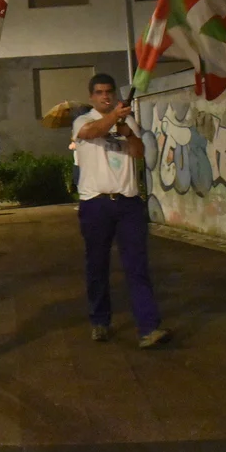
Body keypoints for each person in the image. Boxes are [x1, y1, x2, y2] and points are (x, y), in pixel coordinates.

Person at [72, 73, 171, 349]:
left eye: (109, 92)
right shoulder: (83, 120)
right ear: (92, 96)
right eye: (99, 92)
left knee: (137, 265)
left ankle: (149, 327)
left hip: (128, 202)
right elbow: (91, 133)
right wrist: (114, 117)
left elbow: (138, 153)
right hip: (96, 202)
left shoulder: (128, 121)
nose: (105, 96)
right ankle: (100, 320)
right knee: (97, 264)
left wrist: (127, 131)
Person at [68, 105, 92, 211]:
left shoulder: (86, 129)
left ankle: (86, 203)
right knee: (78, 181)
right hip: (77, 161)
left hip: (83, 162)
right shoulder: (76, 128)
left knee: (82, 182)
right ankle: (83, 202)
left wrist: (74, 144)